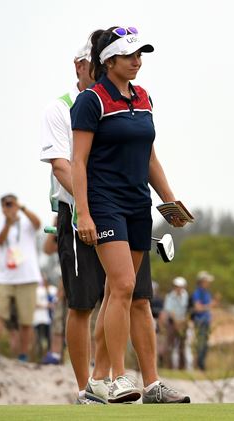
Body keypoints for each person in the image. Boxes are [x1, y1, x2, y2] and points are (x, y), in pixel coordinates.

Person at [70, 26, 189, 404]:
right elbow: (78, 161)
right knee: (122, 286)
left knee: (116, 292)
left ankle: (97, 382)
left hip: (138, 204)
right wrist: (83, 214)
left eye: (141, 55)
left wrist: (169, 201)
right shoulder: (91, 101)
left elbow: (150, 157)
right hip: (105, 204)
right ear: (109, 60)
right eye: (129, 55)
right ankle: (120, 377)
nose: (138, 61)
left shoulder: (144, 98)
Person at [0, 195, 41, 366]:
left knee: (26, 319)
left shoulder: (26, 223)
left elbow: (38, 223)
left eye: (12, 203)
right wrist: (8, 223)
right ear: (2, 207)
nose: (9, 207)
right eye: (6, 205)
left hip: (28, 277)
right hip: (3, 278)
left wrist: (22, 208)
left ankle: (23, 355)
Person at [163, 276, 190, 369]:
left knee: (182, 346)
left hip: (183, 323)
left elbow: (187, 310)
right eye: (177, 286)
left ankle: (182, 367)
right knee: (169, 345)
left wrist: (182, 323)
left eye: (181, 286)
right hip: (172, 323)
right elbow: (170, 311)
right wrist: (176, 323)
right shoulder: (169, 296)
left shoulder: (186, 296)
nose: (179, 288)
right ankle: (168, 366)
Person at [191, 271, 215, 371]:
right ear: (202, 281)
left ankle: (202, 364)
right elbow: (197, 308)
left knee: (205, 344)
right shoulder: (197, 293)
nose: (208, 283)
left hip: (206, 321)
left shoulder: (207, 293)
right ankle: (200, 365)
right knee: (201, 343)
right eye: (207, 281)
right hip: (200, 321)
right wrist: (209, 306)